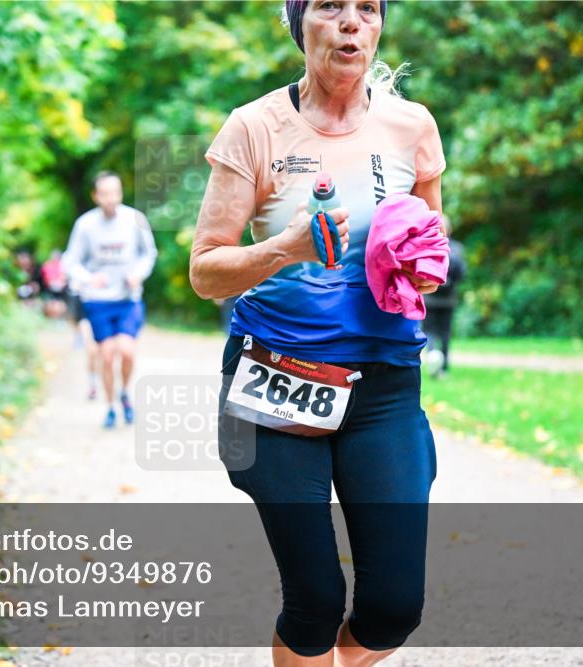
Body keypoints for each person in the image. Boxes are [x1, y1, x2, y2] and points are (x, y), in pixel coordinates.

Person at [189, 1, 444, 665]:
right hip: (275, 383)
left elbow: (430, 243)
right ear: (299, 22)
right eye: (330, 6)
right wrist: (289, 247)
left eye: (367, 8)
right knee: (315, 599)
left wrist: (419, 265)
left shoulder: (412, 126)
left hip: (384, 389)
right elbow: (206, 271)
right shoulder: (254, 126)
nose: (351, 21)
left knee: (394, 606)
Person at [64, 171, 158, 428]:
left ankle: (125, 393)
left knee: (126, 352)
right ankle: (109, 406)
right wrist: (88, 278)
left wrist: (137, 274)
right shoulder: (85, 224)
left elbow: (148, 253)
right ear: (95, 196)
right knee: (106, 356)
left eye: (115, 192)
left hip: (128, 299)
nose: (111, 198)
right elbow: (70, 261)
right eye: (104, 193)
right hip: (98, 301)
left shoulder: (134, 219)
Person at [422, 214, 466, 378]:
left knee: (429, 332)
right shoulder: (458, 249)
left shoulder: (427, 247)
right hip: (448, 300)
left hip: (430, 297)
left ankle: (434, 364)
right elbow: (462, 274)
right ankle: (445, 367)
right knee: (446, 333)